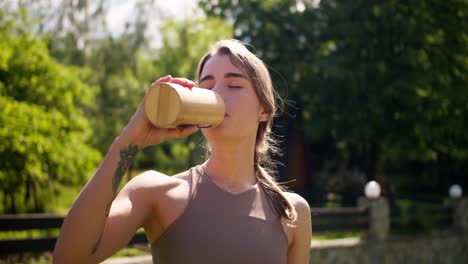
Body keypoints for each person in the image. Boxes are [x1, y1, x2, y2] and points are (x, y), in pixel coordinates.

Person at [53, 39, 312, 264]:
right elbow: (69, 259)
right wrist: (128, 141)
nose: (217, 95)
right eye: (207, 86)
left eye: (234, 85)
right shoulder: (156, 192)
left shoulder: (292, 212)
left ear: (264, 110)